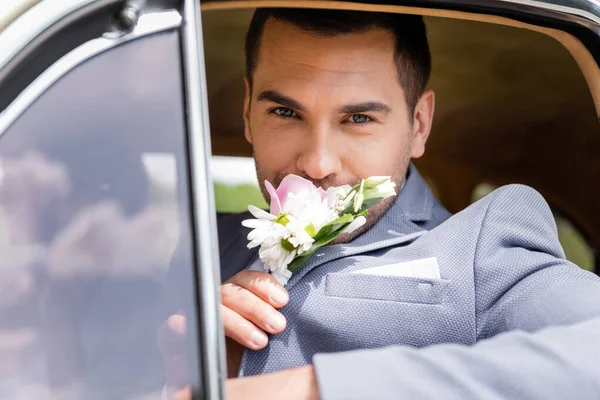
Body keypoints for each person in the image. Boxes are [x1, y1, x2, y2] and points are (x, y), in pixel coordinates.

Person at [159, 8, 600, 399]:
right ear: (247, 114)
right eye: (286, 113)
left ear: (419, 126)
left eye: (358, 119)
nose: (317, 163)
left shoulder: (486, 245)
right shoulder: (203, 242)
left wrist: (309, 388)